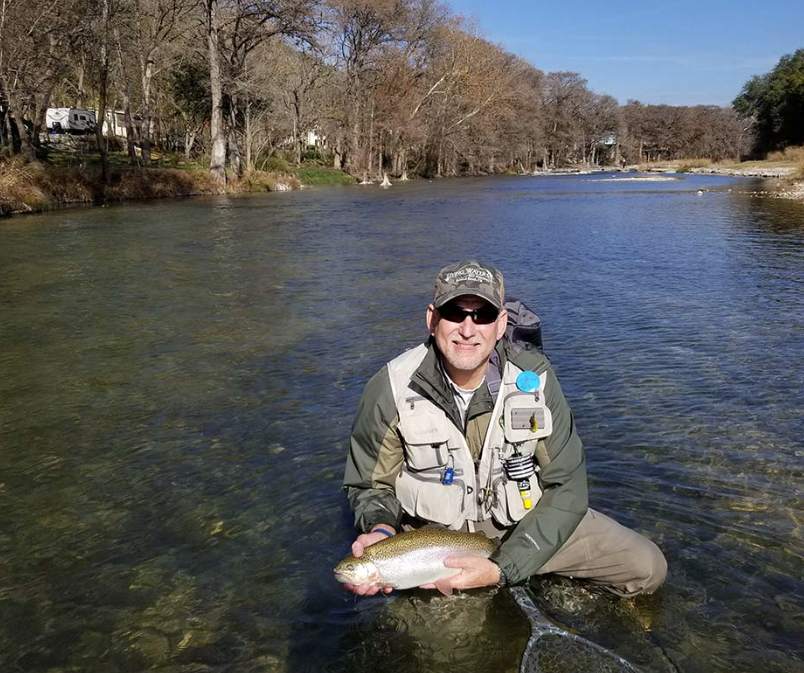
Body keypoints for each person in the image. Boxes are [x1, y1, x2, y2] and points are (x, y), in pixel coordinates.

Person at [343, 260, 667, 597]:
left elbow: (567, 485)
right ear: (432, 319)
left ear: (500, 324)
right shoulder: (391, 387)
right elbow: (368, 484)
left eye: (482, 315)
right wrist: (380, 531)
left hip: (522, 528)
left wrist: (505, 567)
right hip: (434, 546)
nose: (468, 329)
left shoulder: (535, 379)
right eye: (455, 312)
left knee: (647, 567)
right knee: (450, 646)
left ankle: (524, 573)